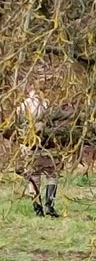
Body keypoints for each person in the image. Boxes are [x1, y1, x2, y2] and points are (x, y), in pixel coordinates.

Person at [14, 89, 61, 217]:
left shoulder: (21, 108)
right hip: (46, 148)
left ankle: (38, 209)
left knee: (33, 178)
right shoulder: (46, 106)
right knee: (52, 175)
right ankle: (49, 205)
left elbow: (16, 128)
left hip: (29, 148)